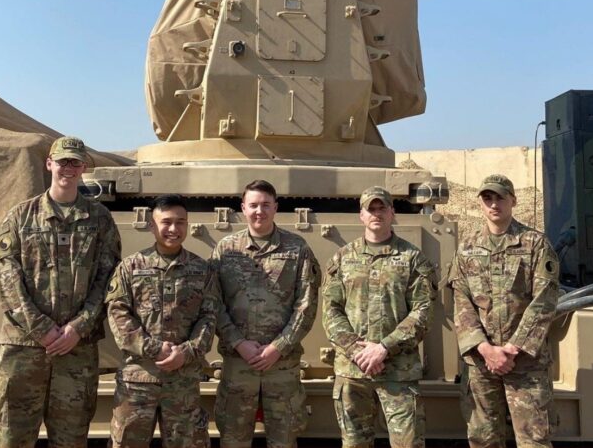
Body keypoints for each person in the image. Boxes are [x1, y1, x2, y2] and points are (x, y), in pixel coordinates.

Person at [0, 136, 121, 447]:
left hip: (76, 352)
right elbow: (7, 280)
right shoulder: (20, 217)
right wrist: (43, 330)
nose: (69, 168)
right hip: (24, 350)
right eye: (63, 161)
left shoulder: (100, 219)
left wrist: (79, 327)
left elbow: (108, 280)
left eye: (76, 162)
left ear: (83, 168)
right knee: (13, 438)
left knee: (71, 439)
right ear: (49, 164)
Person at [448, 174, 559, 448]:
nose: (494, 204)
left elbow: (544, 300)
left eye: (500, 197)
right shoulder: (467, 247)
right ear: (480, 204)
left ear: (513, 201)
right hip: (481, 363)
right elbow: (462, 301)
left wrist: (511, 349)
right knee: (484, 440)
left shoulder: (535, 244)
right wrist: (486, 350)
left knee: (534, 441)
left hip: (525, 363)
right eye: (487, 198)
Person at [322, 186, 437, 448]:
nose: (376, 213)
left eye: (382, 208)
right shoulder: (342, 258)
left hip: (398, 372)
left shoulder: (412, 259)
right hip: (353, 372)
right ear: (361, 215)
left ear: (392, 213)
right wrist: (357, 351)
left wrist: (384, 348)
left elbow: (423, 311)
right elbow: (331, 310)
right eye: (370, 209)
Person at [212, 179, 321, 448]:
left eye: (265, 205)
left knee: (284, 441)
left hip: (281, 366)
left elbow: (306, 305)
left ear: (275, 208)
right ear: (242, 208)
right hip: (239, 364)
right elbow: (212, 303)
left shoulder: (297, 249)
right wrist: (238, 343)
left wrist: (279, 347)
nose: (259, 211)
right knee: (233, 441)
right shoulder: (226, 250)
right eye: (253, 205)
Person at [106, 194, 218, 448]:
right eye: (166, 222)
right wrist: (155, 349)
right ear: (151, 225)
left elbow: (209, 317)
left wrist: (187, 352)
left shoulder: (202, 270)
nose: (173, 229)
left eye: (181, 222)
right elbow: (118, 314)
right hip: (138, 381)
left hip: (183, 381)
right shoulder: (131, 267)